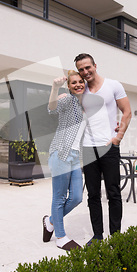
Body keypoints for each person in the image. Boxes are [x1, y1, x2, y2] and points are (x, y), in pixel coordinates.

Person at [74, 53, 132, 245]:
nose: (85, 72)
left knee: (113, 192)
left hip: (108, 147)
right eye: (81, 69)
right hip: (88, 148)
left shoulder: (113, 85)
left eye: (87, 67)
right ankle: (97, 235)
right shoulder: (81, 91)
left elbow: (127, 112)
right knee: (92, 194)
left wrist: (118, 137)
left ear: (95, 66)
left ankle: (115, 235)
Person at [42, 70, 87, 251]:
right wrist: (54, 88)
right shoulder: (68, 100)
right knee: (59, 198)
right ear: (69, 86)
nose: (78, 84)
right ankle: (60, 236)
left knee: (76, 197)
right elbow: (52, 108)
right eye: (74, 82)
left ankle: (50, 221)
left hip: (76, 156)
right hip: (61, 153)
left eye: (80, 81)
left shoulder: (86, 106)